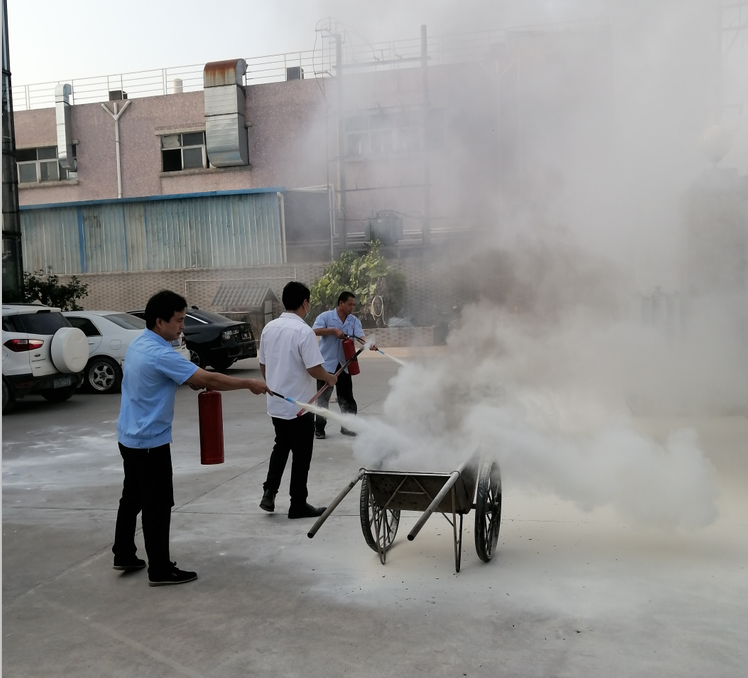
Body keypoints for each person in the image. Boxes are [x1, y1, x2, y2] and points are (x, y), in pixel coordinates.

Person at [113, 290, 268, 587]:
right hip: (150, 443)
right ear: (160, 322)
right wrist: (248, 383)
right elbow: (208, 378)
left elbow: (163, 378)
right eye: (179, 320)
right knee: (157, 505)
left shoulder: (140, 344)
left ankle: (124, 553)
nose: (183, 326)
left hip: (129, 437)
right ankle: (159, 570)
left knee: (132, 497)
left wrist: (187, 380)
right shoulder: (161, 353)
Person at [258, 281, 337, 518]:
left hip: (276, 404)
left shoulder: (268, 328)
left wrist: (274, 383)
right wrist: (330, 378)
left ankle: (269, 493)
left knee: (281, 446)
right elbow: (314, 369)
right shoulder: (304, 331)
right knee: (302, 455)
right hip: (301, 407)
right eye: (309, 303)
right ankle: (298, 504)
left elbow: (263, 364)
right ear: (304, 303)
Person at [312, 291, 377, 439]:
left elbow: (360, 336)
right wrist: (333, 331)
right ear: (341, 303)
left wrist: (368, 343)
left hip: (345, 364)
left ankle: (348, 427)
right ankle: (319, 428)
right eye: (349, 304)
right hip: (326, 365)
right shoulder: (326, 317)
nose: (352, 308)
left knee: (347, 397)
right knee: (323, 398)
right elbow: (314, 330)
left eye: (353, 305)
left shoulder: (354, 321)